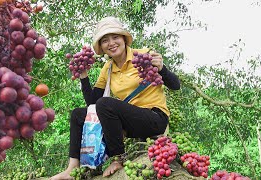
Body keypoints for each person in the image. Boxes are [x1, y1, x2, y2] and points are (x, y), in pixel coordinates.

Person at [50, 16, 180, 179]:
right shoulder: (108, 68)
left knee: (105, 103)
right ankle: (72, 168)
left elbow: (175, 85)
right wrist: (83, 76)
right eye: (105, 40)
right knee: (78, 114)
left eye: (115, 37)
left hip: (155, 119)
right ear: (102, 47)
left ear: (124, 39)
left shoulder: (144, 55)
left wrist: (162, 69)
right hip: (131, 123)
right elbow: (92, 104)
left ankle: (118, 158)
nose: (111, 43)